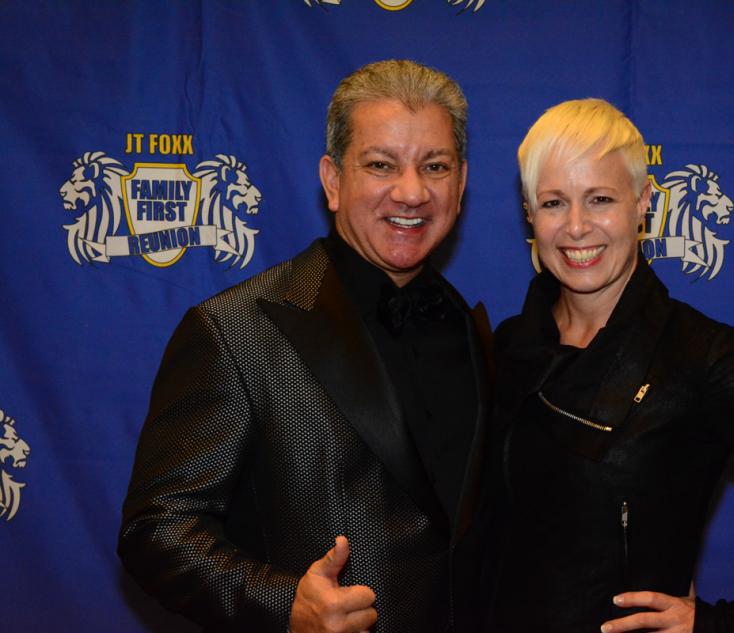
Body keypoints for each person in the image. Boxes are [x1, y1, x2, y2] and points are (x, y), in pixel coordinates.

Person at [486, 99, 734, 633]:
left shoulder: (699, 356)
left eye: (600, 199)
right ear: (529, 213)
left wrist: (727, 625)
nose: (576, 226)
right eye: (554, 202)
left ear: (643, 203)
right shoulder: (508, 345)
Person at [118, 60, 491, 633]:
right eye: (381, 164)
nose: (412, 191)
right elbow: (156, 529)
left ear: (460, 185)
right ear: (333, 180)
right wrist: (285, 605)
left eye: (434, 166)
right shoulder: (234, 330)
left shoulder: (474, 329)